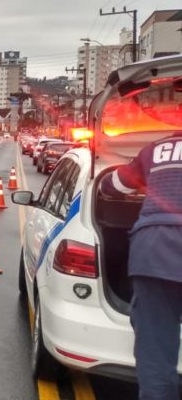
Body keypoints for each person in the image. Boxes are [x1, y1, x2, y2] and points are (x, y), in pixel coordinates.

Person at [100, 134, 182, 400]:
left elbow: (112, 187)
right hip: (157, 252)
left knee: (156, 354)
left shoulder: (156, 150)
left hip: (156, 252)